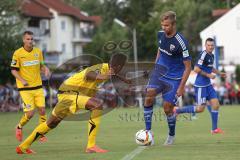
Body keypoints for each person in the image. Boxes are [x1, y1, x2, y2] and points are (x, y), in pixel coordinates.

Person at [16, 53, 130, 154]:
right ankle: (91, 146)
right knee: (97, 105)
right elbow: (88, 74)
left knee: (51, 124)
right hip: (69, 93)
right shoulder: (102, 68)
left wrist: (122, 78)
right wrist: (104, 76)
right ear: (119, 66)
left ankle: (23, 146)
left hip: (66, 94)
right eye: (123, 66)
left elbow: (109, 75)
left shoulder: (109, 70)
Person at [143, 11, 192, 145]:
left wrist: (182, 87)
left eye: (167, 25)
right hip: (159, 73)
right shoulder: (160, 35)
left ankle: (171, 135)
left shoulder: (182, 43)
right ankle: (148, 133)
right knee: (148, 96)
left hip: (174, 78)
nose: (164, 28)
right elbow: (160, 49)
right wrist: (155, 65)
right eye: (162, 25)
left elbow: (188, 67)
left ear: (174, 24)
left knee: (167, 108)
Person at [174, 38, 226, 134]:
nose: (210, 47)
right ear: (205, 46)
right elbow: (196, 68)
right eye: (209, 45)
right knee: (200, 109)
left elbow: (211, 67)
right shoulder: (203, 55)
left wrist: (219, 73)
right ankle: (178, 111)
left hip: (208, 85)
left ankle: (214, 129)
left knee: (216, 105)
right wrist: (208, 75)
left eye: (212, 45)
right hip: (201, 86)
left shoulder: (212, 55)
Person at [11, 31, 50, 142]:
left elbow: (41, 66)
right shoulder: (17, 53)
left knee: (42, 110)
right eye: (28, 39)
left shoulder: (38, 51)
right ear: (23, 40)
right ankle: (19, 127)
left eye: (31, 39)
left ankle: (41, 133)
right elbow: (13, 71)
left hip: (37, 86)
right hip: (25, 89)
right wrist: (22, 80)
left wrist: (46, 69)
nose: (30, 41)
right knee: (30, 113)